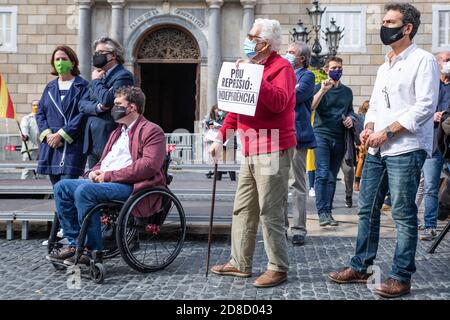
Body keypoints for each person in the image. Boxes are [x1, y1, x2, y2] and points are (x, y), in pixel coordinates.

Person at [328, 3, 440, 298]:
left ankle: (401, 276)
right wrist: (369, 126)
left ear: (407, 28)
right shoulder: (383, 65)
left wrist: (388, 131)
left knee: (403, 213)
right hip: (377, 149)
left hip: (406, 146)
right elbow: (376, 103)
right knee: (367, 209)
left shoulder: (424, 60)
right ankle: (361, 266)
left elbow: (425, 106)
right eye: (384, 20)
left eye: (390, 21)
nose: (384, 26)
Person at [209, 18, 296, 288]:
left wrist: (253, 76)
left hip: (272, 147)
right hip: (249, 147)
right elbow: (235, 108)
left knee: (270, 210)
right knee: (243, 208)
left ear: (265, 43)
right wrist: (221, 137)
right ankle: (240, 262)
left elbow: (280, 103)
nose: (247, 41)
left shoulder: (282, 67)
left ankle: (278, 267)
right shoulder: (252, 67)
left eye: (252, 36)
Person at [46, 86, 166, 265]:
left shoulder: (151, 130)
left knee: (85, 191)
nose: (113, 107)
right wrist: (94, 171)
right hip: (106, 180)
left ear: (132, 107)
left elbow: (149, 166)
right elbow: (105, 160)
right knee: (61, 187)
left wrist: (109, 176)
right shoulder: (117, 131)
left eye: (118, 104)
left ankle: (93, 249)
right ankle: (73, 243)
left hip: (132, 185)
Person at [36, 45, 89, 186]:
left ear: (72, 62)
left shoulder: (83, 86)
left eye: (64, 59)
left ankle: (64, 210)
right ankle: (58, 210)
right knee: (57, 191)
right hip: (52, 145)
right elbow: (40, 113)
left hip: (72, 144)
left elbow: (83, 114)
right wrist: (48, 136)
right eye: (57, 59)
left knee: (66, 189)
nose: (60, 62)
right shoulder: (49, 87)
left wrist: (61, 134)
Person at [311, 56, 354, 226]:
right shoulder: (319, 87)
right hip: (321, 135)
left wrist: (350, 118)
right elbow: (311, 107)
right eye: (334, 67)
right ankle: (322, 213)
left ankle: (328, 211)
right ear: (326, 70)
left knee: (331, 176)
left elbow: (350, 110)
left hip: (340, 137)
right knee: (322, 173)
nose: (338, 70)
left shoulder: (347, 92)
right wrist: (322, 90)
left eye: (340, 67)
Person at [80, 37, 134, 169]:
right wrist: (98, 107)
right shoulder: (99, 76)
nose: (96, 56)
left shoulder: (123, 75)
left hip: (109, 137)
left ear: (113, 55)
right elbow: (82, 104)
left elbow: (108, 100)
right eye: (95, 53)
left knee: (106, 180)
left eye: (100, 53)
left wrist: (96, 82)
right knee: (92, 181)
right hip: (92, 140)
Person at [282, 41, 316, 246]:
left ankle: (298, 228)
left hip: (296, 136)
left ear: (301, 58)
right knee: (277, 184)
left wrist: (281, 91)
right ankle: (280, 226)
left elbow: (292, 98)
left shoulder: (307, 76)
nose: (287, 55)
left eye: (291, 53)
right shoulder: (283, 74)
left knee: (297, 184)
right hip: (278, 135)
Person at [416, 51, 450, 240]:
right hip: (433, 142)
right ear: (437, 64)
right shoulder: (429, 86)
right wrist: (434, 115)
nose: (448, 63)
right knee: (430, 186)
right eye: (446, 60)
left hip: (449, 143)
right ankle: (430, 225)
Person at [204, 105, 236, 181]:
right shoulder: (212, 119)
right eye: (217, 111)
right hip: (217, 142)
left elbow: (229, 126)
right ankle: (217, 179)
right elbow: (208, 127)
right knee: (218, 163)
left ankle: (232, 180)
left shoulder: (228, 117)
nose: (219, 112)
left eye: (220, 110)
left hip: (229, 142)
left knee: (229, 162)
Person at [20, 100, 40, 179]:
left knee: (41, 172)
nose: (36, 107)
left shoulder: (44, 118)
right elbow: (24, 128)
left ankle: (41, 190)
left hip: (41, 149)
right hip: (30, 149)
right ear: (31, 107)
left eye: (38, 105)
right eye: (34, 105)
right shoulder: (27, 118)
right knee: (27, 171)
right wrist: (25, 136)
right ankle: (23, 190)